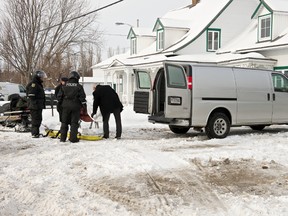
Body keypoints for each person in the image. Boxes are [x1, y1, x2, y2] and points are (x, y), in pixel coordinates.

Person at [58, 71, 86, 143]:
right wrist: (84, 106)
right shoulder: (79, 86)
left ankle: (63, 138)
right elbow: (82, 97)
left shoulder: (64, 86)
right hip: (75, 106)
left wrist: (61, 105)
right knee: (74, 123)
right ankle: (73, 138)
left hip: (65, 106)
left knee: (64, 122)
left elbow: (59, 97)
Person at [26, 70, 47, 138]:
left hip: (37, 105)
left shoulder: (38, 84)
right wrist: (37, 101)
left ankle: (36, 132)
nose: (42, 78)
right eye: (41, 77)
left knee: (38, 119)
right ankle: (35, 133)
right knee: (35, 119)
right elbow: (31, 95)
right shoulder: (34, 84)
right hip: (35, 105)